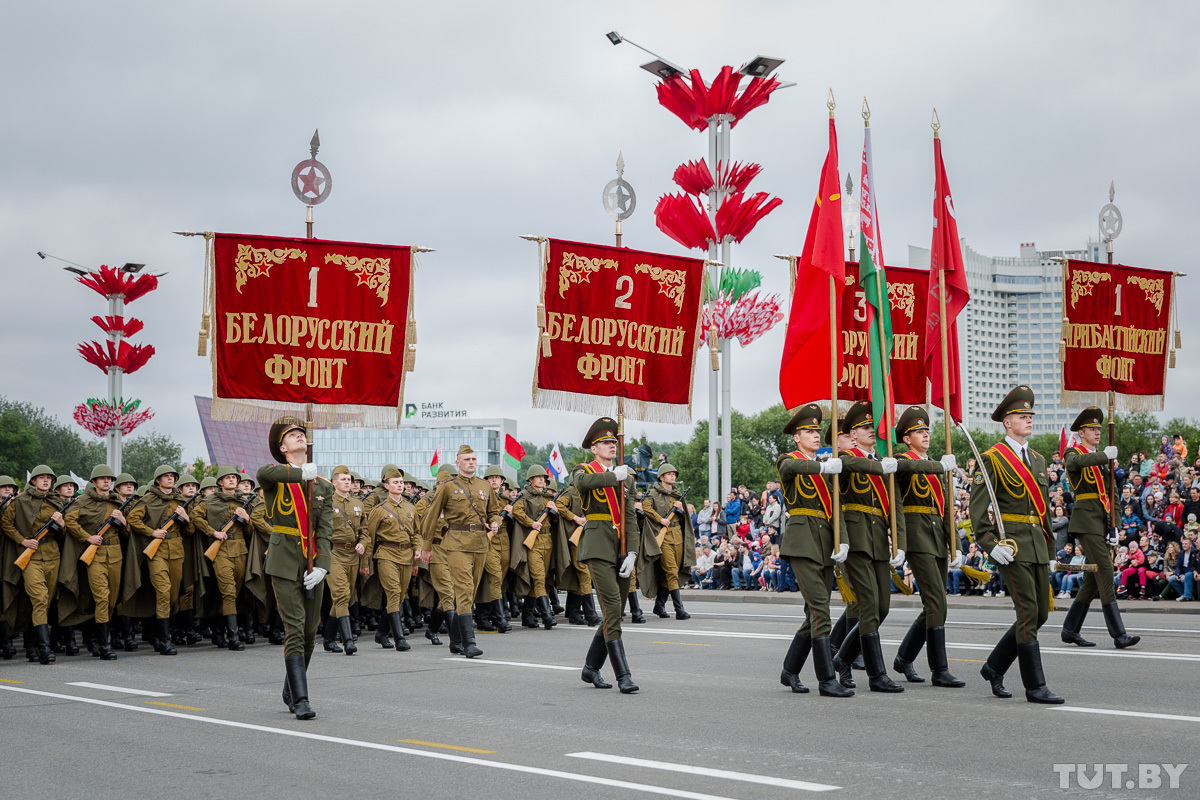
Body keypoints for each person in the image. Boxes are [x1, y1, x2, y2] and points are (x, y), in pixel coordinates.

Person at [971, 386, 1063, 704]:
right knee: (1027, 612)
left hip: (1037, 544)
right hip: (1011, 546)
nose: (1029, 420)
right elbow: (977, 510)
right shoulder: (991, 459)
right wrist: (989, 543)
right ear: (1007, 422)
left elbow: (1046, 511)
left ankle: (995, 667)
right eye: (1023, 416)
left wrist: (1050, 551)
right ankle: (1035, 686)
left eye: (1030, 416)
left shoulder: (1037, 460)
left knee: (1041, 614)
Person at [257, 417, 333, 720]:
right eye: (292, 435)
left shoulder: (323, 487)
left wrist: (324, 566)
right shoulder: (276, 477)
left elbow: (326, 530)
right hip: (285, 558)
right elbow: (264, 472)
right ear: (283, 447)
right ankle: (301, 698)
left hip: (313, 559)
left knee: (311, 631)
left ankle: (290, 687)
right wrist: (300, 473)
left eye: (302, 433)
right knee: (295, 627)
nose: (299, 436)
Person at [775, 404, 852, 697]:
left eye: (818, 431)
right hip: (802, 544)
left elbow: (836, 510)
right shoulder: (790, 460)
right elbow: (789, 468)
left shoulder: (825, 468)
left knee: (813, 615)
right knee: (821, 609)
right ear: (797, 437)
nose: (816, 435)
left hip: (823, 546)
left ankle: (789, 670)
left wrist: (842, 539)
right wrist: (822, 466)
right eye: (809, 431)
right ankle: (827, 680)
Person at [831, 400, 907, 694]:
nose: (871, 431)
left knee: (882, 607)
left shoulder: (882, 462)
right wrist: (843, 539)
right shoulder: (846, 459)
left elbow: (896, 508)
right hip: (857, 541)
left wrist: (899, 543)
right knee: (869, 606)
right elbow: (843, 481)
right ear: (852, 435)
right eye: (864, 428)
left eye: (872, 427)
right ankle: (877, 675)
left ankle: (843, 657)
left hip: (878, 543)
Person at [889, 406, 963, 687]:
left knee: (937, 605)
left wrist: (954, 544)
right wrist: (940, 466)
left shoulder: (935, 466)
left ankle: (904, 657)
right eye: (919, 432)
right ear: (907, 439)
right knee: (935, 602)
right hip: (917, 538)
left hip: (937, 539)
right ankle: (939, 669)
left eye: (927, 431)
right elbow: (906, 467)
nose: (926, 435)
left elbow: (945, 510)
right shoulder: (902, 461)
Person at [1059, 407, 1140, 650]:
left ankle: (1070, 630)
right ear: (1081, 432)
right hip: (1085, 521)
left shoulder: (1102, 461)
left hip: (1103, 521)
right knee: (1105, 570)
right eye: (1093, 429)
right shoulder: (1073, 452)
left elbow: (1112, 495)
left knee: (1092, 581)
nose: (1097, 433)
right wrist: (1104, 456)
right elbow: (1075, 463)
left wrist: (1115, 525)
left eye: (1099, 430)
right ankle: (1119, 635)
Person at [570, 417, 640, 693]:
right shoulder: (584, 469)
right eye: (605, 443)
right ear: (593, 449)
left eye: (613, 442)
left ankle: (590, 668)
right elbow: (583, 483)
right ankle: (624, 675)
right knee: (612, 608)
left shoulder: (627, 477)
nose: (611, 446)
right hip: (598, 545)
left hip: (621, 545)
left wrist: (633, 550)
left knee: (616, 613)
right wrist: (615, 476)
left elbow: (631, 515)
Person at [418, 445, 501, 659]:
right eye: (466, 459)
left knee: (469, 592)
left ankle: (455, 641)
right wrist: (426, 547)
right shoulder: (447, 487)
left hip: (480, 543)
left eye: (473, 458)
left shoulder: (485, 485)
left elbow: (494, 511)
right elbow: (432, 517)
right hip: (455, 543)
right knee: (464, 589)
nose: (471, 462)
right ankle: (469, 643)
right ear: (458, 462)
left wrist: (495, 522)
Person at [126, 465, 195, 656]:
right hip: (157, 552)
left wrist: (185, 518)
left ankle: (156, 633)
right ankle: (165, 641)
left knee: (173, 595)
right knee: (163, 592)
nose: (170, 479)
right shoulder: (149, 499)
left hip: (177, 551)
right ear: (158, 480)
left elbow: (190, 531)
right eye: (166, 476)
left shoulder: (180, 501)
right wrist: (152, 532)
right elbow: (133, 518)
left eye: (172, 476)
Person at [2, 465, 67, 664]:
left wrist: (62, 523)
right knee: (39, 598)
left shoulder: (56, 502)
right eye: (41, 478)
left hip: (52, 554)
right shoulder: (20, 501)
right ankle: (44, 649)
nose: (46, 481)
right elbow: (6, 523)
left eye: (49, 478)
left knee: (45, 601)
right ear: (33, 481)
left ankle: (31, 644)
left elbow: (64, 533)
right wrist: (22, 540)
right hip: (30, 556)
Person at [62, 464, 128, 661]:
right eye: (102, 478)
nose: (106, 481)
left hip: (115, 553)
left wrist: (122, 521)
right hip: (95, 554)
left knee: (112, 599)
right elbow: (70, 520)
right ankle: (104, 645)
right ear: (94, 482)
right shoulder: (83, 501)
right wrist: (87, 537)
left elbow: (128, 532)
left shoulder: (118, 502)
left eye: (109, 479)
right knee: (102, 597)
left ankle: (95, 636)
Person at [191, 465, 252, 651]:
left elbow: (250, 531)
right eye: (228, 478)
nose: (232, 480)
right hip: (221, 550)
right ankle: (233, 637)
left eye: (234, 478)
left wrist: (247, 518)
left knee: (233, 593)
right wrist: (213, 533)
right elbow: (195, 515)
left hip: (240, 550)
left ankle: (219, 632)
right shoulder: (211, 501)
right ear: (220, 482)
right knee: (228, 593)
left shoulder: (244, 502)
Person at [364, 466, 418, 652]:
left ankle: (381, 634)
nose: (400, 485)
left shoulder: (411, 508)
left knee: (400, 596)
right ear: (386, 486)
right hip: (386, 554)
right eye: (395, 482)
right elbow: (369, 538)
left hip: (406, 556)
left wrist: (417, 553)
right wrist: (365, 563)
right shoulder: (379, 510)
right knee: (394, 593)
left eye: (401, 482)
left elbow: (416, 534)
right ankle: (399, 638)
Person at [639, 462, 694, 620]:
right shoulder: (653, 493)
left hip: (677, 535)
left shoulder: (678, 495)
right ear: (662, 477)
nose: (673, 476)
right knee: (670, 571)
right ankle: (679, 610)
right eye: (670, 474)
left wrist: (682, 510)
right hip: (662, 536)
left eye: (674, 474)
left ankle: (659, 605)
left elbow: (685, 520)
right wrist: (661, 519)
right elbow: (646, 507)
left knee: (672, 572)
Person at [511, 465, 560, 630]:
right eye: (538, 477)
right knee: (538, 578)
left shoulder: (548, 497)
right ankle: (547, 617)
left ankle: (528, 615)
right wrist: (531, 522)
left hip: (547, 541)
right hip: (533, 541)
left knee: (542, 579)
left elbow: (555, 521)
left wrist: (555, 511)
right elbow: (516, 511)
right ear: (530, 480)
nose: (541, 479)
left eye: (543, 477)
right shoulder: (524, 496)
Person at [325, 465, 368, 654]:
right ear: (334, 483)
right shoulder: (326, 503)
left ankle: (328, 639)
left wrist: (363, 543)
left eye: (349, 479)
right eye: (343, 479)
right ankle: (348, 640)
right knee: (341, 594)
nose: (347, 482)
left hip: (352, 555)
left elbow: (365, 531)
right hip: (333, 553)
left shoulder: (358, 504)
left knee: (344, 598)